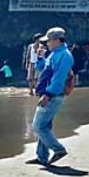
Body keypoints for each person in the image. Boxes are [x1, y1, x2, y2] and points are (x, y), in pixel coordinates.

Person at [30, 27, 74, 167]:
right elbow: (43, 68)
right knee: (45, 126)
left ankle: (59, 150)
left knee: (38, 127)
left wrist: (47, 94)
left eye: (48, 41)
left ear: (56, 40)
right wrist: (41, 56)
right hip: (49, 93)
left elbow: (59, 78)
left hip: (53, 95)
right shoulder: (55, 53)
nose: (46, 44)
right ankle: (42, 157)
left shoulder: (64, 55)